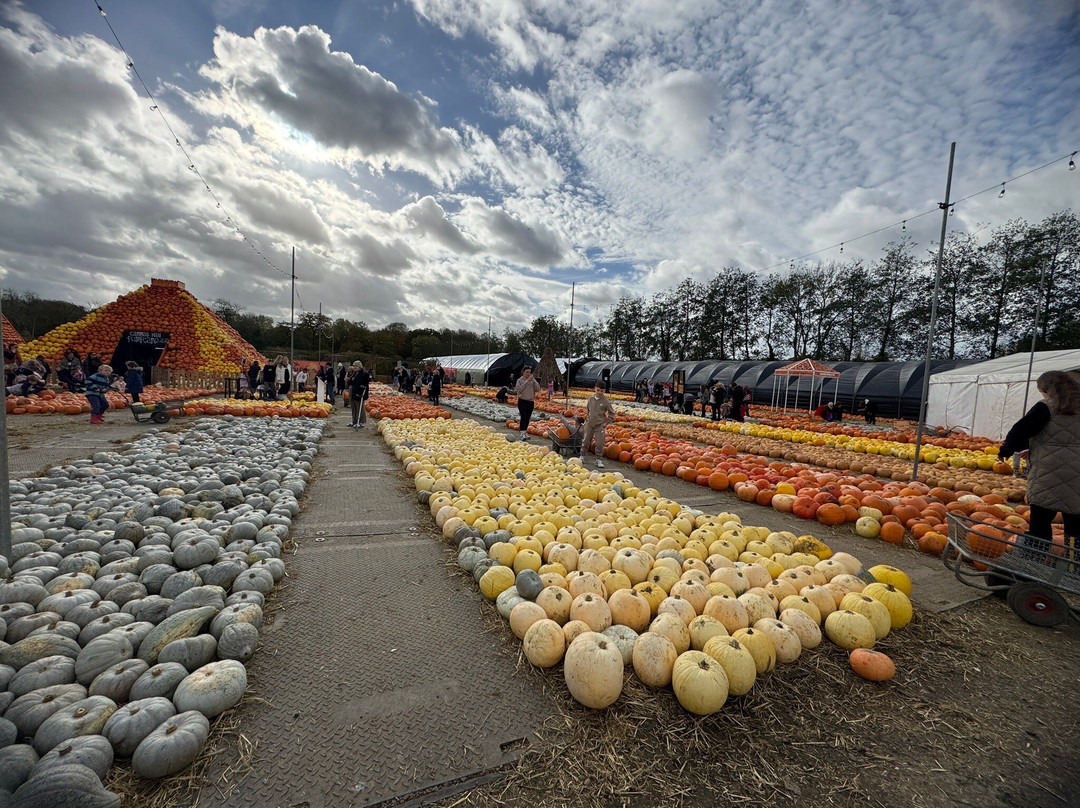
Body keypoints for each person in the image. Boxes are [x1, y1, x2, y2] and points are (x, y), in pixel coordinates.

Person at [998, 370, 1080, 559]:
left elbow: (1020, 430)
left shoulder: (1047, 407)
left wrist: (1006, 451)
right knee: (1076, 530)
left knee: (1040, 525)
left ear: (1048, 390)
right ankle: (1073, 570)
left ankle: (1034, 565)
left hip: (1049, 474)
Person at [581, 383, 616, 468]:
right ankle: (582, 455)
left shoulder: (605, 401)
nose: (599, 392)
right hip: (589, 424)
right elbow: (588, 409)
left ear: (604, 391)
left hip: (599, 425)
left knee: (599, 443)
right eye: (598, 390)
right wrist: (588, 418)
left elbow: (612, 413)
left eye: (602, 391)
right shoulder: (591, 399)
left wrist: (606, 422)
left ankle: (598, 459)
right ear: (595, 389)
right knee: (586, 440)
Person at [513, 366, 542, 441]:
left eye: (529, 372)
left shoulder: (532, 381)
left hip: (530, 401)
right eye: (527, 372)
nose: (528, 374)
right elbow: (518, 390)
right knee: (523, 417)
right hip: (522, 401)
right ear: (523, 372)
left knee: (528, 418)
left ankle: (525, 431)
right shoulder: (519, 380)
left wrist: (534, 381)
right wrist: (526, 382)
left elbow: (538, 389)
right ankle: (522, 433)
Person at [346, 361, 371, 427]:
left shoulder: (364, 374)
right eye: (354, 366)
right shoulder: (354, 373)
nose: (355, 367)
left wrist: (360, 393)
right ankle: (354, 420)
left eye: (356, 366)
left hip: (359, 392)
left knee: (359, 407)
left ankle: (360, 421)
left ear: (360, 366)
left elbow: (365, 385)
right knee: (353, 407)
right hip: (353, 391)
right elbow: (352, 382)